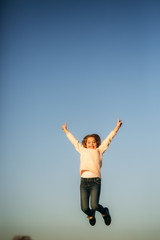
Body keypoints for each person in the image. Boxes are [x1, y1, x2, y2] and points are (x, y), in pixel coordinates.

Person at [62, 118, 122, 226]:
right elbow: (74, 141)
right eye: (89, 142)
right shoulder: (82, 150)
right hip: (84, 182)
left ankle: (104, 212)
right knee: (84, 208)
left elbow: (109, 139)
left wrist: (116, 127)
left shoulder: (99, 150)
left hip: (95, 181)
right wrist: (66, 130)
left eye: (94, 142)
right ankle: (91, 215)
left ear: (97, 143)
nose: (91, 144)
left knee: (94, 205)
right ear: (85, 143)